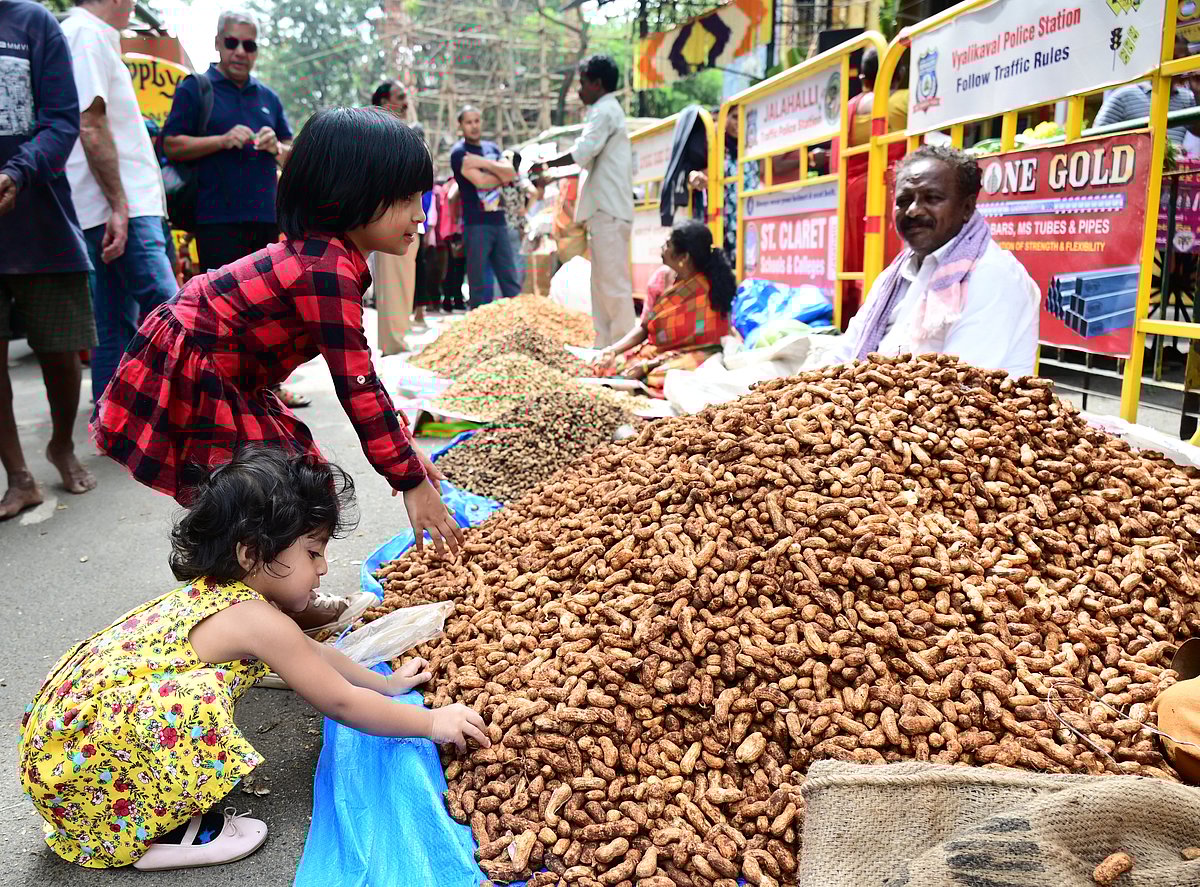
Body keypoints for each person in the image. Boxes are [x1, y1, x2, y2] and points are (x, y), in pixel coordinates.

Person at [18, 445, 489, 870]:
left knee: (185, 694)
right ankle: (159, 834)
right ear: (251, 555)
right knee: (188, 702)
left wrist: (384, 685)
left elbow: (313, 651)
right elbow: (340, 703)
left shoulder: (226, 594)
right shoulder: (257, 620)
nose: (324, 567)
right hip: (83, 770)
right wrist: (431, 723)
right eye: (312, 552)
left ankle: (140, 801)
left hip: (63, 745)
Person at [92, 107, 465, 561]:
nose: (421, 215)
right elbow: (357, 383)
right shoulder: (324, 267)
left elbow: (363, 378)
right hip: (199, 364)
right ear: (350, 193)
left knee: (299, 486)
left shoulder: (337, 258)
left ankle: (276, 591)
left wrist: (405, 452)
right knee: (255, 500)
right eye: (407, 198)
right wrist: (408, 479)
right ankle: (242, 601)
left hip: (235, 374)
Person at [160, 10, 307, 407]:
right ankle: (224, 394)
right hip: (216, 219)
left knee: (270, 311)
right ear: (218, 43)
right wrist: (221, 140)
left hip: (264, 218)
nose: (241, 51)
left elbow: (295, 157)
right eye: (233, 42)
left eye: (250, 44)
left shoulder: (267, 98)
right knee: (222, 313)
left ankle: (268, 389)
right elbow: (171, 145)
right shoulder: (197, 87)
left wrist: (276, 146)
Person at [0, 0, 98, 520]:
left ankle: (61, 443)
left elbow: (62, 122)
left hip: (42, 225)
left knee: (62, 353)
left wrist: (16, 172)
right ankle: (19, 477)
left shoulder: (32, 22)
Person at [824, 145, 1039, 377]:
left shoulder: (992, 275)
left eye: (932, 198)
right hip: (882, 404)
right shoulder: (896, 275)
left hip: (953, 408)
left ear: (967, 208)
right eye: (904, 201)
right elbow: (847, 350)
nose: (914, 211)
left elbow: (955, 385)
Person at [61, 0, 178, 404]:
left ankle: (113, 423)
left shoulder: (91, 36)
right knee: (174, 310)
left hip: (116, 205)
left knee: (113, 320)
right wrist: (119, 207)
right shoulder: (86, 35)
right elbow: (89, 124)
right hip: (122, 205)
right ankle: (203, 414)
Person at [534, 55, 635, 348]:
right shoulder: (605, 111)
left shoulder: (604, 111)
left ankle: (622, 347)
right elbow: (587, 161)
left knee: (612, 285)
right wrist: (551, 174)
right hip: (605, 212)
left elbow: (583, 151)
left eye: (582, 84)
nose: (579, 91)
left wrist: (546, 164)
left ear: (597, 84)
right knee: (601, 283)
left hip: (610, 211)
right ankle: (604, 346)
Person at [594, 220, 734, 397]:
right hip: (659, 351)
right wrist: (612, 350)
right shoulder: (660, 280)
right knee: (614, 364)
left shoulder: (711, 285)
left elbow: (711, 344)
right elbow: (645, 328)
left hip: (699, 355)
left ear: (684, 257)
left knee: (671, 375)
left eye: (668, 244)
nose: (662, 247)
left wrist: (648, 366)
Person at [449, 105, 520, 307]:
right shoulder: (458, 153)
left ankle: (519, 326)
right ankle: (479, 330)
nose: (474, 126)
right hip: (476, 224)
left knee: (510, 282)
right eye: (468, 122)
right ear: (460, 126)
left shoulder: (492, 148)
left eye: (477, 121)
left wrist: (481, 162)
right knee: (479, 285)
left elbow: (510, 173)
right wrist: (499, 173)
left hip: (499, 221)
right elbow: (481, 182)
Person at [368, 80, 419, 353]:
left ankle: (398, 339)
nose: (406, 102)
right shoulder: (374, 132)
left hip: (406, 216)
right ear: (386, 101)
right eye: (401, 97)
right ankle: (393, 344)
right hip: (387, 217)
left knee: (404, 280)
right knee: (392, 283)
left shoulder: (402, 132)